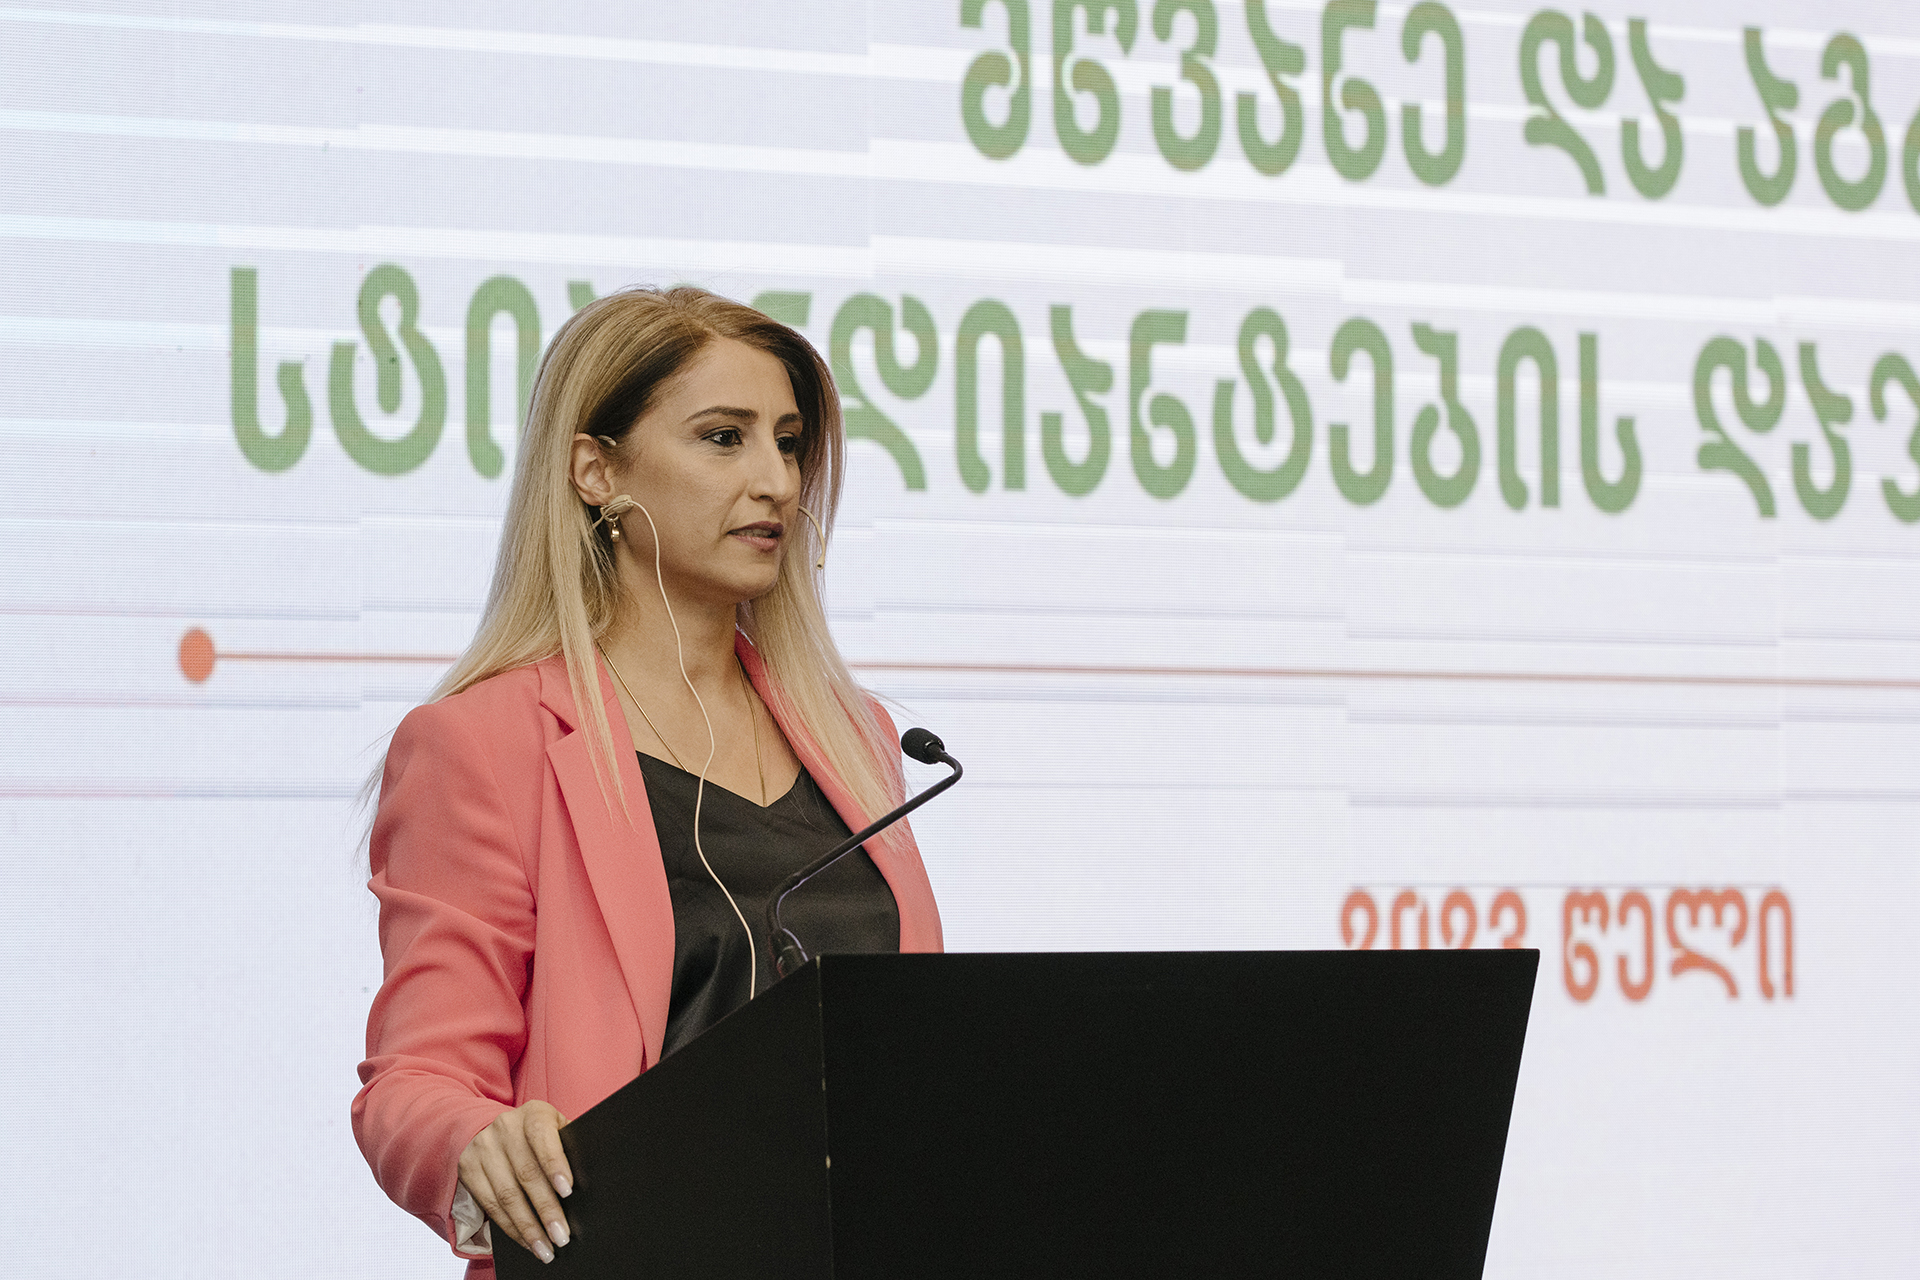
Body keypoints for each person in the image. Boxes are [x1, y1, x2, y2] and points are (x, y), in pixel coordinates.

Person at [351, 286, 944, 1272]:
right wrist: (480, 1142)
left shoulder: (859, 737)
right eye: (724, 438)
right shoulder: (482, 745)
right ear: (596, 471)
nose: (776, 481)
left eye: (789, 443)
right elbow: (415, 1081)